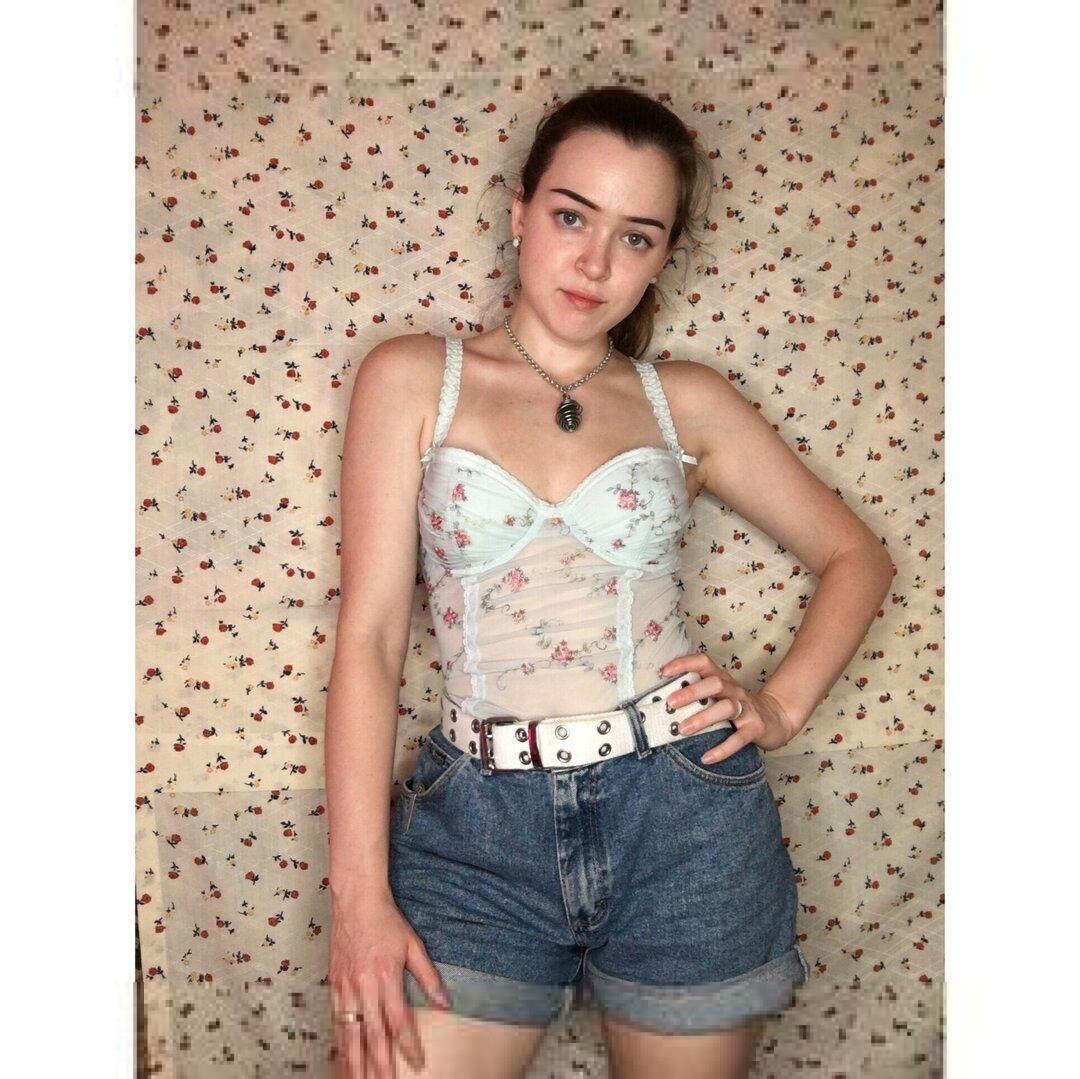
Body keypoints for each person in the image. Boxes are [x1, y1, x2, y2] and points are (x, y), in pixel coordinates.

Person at [326, 86, 894, 1079]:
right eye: (572, 217)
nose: (595, 263)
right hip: (474, 835)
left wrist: (780, 705)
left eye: (636, 237)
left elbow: (858, 555)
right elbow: (370, 641)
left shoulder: (687, 402)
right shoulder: (412, 377)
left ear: (664, 255)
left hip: (685, 820)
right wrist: (359, 899)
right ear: (519, 210)